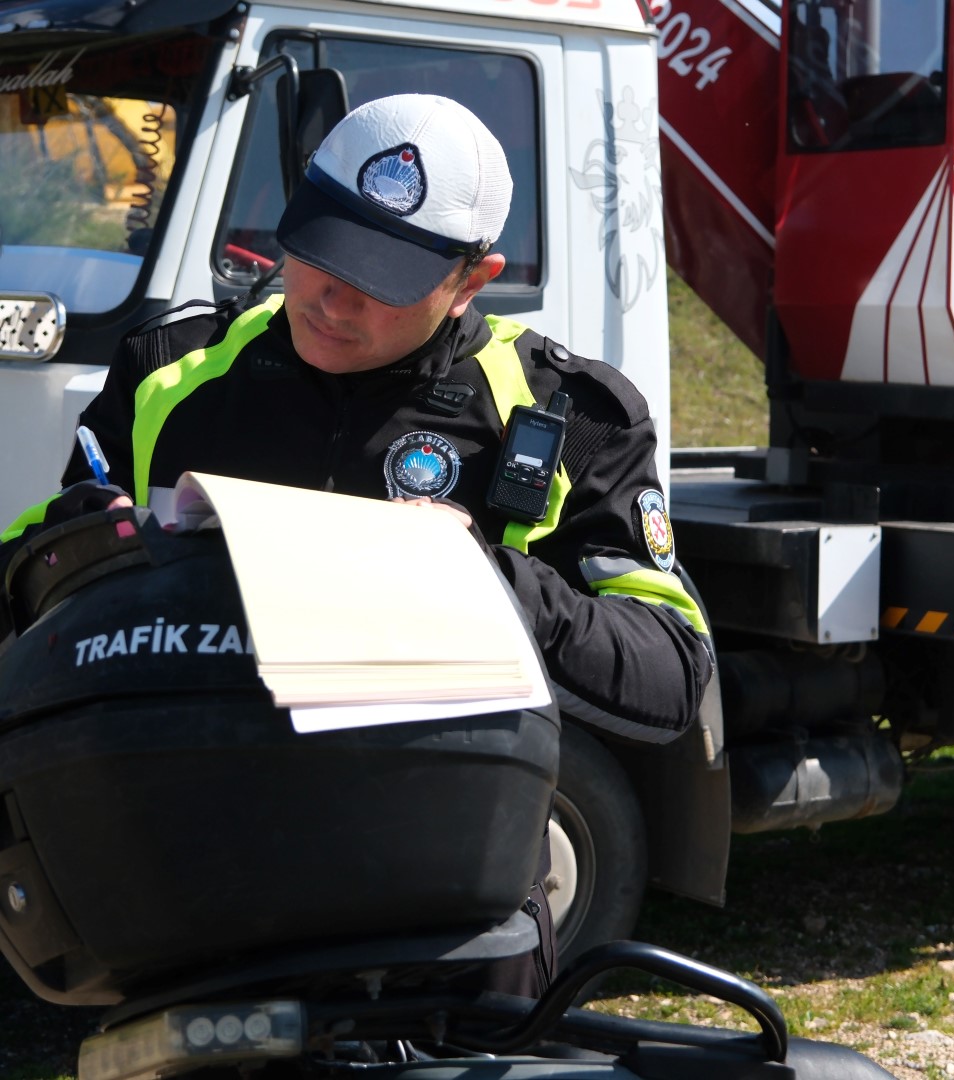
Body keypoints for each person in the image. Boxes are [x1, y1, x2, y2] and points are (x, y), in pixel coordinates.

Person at [0, 93, 714, 997]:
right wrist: (76, 556)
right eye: (318, 256)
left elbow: (670, 675)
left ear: (472, 278)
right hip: (190, 902)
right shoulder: (166, 374)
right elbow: (34, 577)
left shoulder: (570, 418)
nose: (332, 300)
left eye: (381, 281)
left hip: (446, 917)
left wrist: (488, 582)